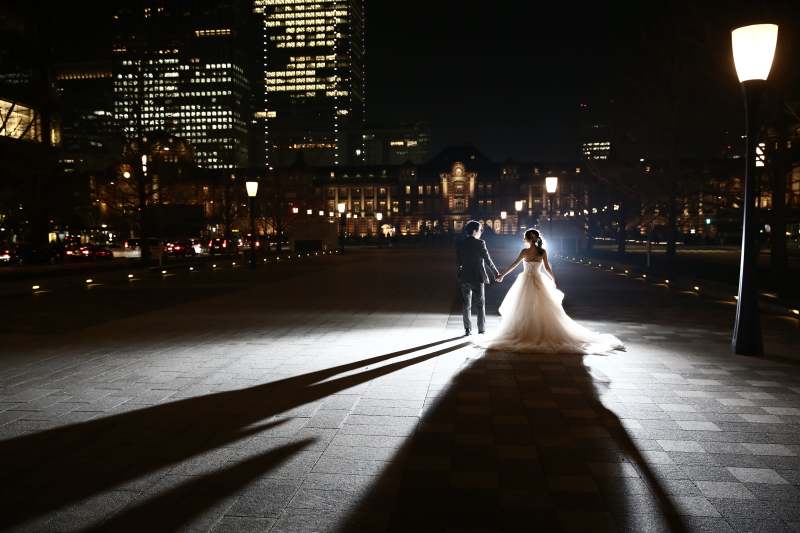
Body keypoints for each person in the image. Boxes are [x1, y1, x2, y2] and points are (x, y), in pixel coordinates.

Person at [487, 229, 624, 354]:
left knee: (523, 307)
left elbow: (513, 265)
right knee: (543, 308)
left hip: (526, 281)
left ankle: (525, 332)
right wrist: (554, 280)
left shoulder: (524, 252)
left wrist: (502, 275)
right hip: (539, 280)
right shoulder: (542, 252)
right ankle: (538, 331)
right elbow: (547, 268)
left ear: (528, 239)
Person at [456, 220, 500, 336]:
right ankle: (481, 329)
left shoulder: (461, 243)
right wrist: (496, 273)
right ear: (475, 231)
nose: (481, 232)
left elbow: (459, 261)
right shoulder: (480, 243)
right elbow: (488, 260)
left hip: (464, 276)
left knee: (466, 305)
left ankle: (467, 329)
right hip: (477, 277)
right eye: (480, 230)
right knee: (480, 304)